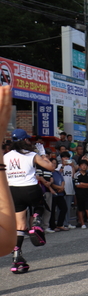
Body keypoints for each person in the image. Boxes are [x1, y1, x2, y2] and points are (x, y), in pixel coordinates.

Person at [6, 128, 54, 273]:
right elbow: (50, 167)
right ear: (24, 140)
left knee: (20, 225)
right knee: (40, 205)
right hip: (31, 188)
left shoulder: (5, 156)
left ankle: (16, 256)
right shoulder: (31, 154)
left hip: (13, 190)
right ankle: (37, 222)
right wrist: (43, 154)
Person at [0, 86, 17, 257]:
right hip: (16, 191)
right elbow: (5, 240)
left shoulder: (10, 154)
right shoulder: (34, 154)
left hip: (14, 188)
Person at [74, 160, 88, 229]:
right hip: (79, 194)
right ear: (79, 166)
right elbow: (77, 185)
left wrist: (82, 184)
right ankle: (82, 224)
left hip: (87, 194)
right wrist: (85, 185)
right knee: (80, 209)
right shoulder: (76, 174)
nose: (84, 166)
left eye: (85, 165)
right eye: (82, 165)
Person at [58, 152, 76, 229]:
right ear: (61, 158)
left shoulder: (71, 167)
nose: (66, 159)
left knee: (68, 207)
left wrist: (72, 167)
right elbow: (58, 173)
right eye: (64, 158)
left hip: (70, 188)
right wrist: (63, 166)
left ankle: (67, 222)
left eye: (67, 158)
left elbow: (73, 176)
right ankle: (60, 223)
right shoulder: (59, 165)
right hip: (62, 189)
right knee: (62, 208)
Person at [49, 158, 68, 231]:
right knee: (53, 210)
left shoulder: (58, 172)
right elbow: (51, 184)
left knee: (64, 208)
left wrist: (62, 187)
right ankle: (52, 226)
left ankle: (60, 224)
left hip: (60, 193)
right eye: (52, 163)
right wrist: (59, 187)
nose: (54, 164)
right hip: (53, 193)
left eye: (55, 163)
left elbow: (63, 181)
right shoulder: (49, 173)